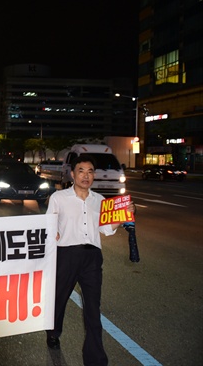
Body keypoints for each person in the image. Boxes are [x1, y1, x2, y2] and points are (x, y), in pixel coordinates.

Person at [45, 154, 135, 366]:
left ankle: (95, 359)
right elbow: (49, 224)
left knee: (93, 308)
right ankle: (53, 332)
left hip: (92, 258)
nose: (86, 176)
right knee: (59, 299)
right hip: (66, 255)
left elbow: (105, 230)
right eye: (81, 171)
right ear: (73, 174)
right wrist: (53, 233)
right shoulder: (59, 198)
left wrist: (121, 218)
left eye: (90, 171)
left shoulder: (100, 201)